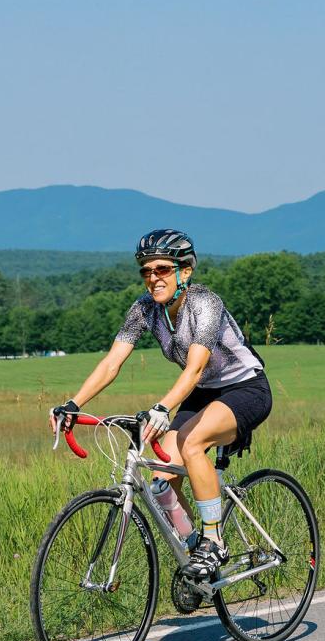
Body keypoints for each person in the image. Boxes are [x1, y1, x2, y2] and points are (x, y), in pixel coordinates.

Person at [48, 229, 273, 579]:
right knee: (161, 477)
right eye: (146, 271)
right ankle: (195, 553)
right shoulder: (144, 310)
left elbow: (196, 367)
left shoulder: (205, 304)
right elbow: (112, 362)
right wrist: (73, 404)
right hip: (201, 392)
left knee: (191, 442)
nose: (153, 278)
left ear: (185, 271)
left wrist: (163, 407)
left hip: (244, 388)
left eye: (162, 270)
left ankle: (214, 543)